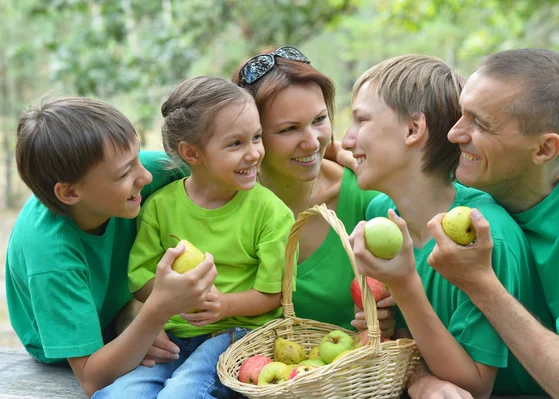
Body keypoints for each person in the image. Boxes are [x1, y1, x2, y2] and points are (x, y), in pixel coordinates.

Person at [341, 55, 553, 397]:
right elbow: (412, 343)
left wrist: (404, 285)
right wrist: (387, 330)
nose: (347, 141)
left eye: (361, 121)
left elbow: (472, 387)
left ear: (413, 130)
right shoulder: (382, 212)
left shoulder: (481, 235)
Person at [93, 76, 295, 399]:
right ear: (192, 153)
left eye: (256, 137)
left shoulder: (272, 213)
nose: (254, 153)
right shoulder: (161, 206)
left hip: (237, 335)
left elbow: (271, 293)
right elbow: (140, 277)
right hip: (173, 334)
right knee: (120, 395)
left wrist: (224, 305)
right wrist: (170, 296)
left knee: (182, 393)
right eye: (235, 143)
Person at [5, 97, 217, 397]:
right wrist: (156, 310)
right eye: (124, 173)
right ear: (69, 192)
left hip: (124, 309)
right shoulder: (52, 257)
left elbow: (217, 179)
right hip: (71, 351)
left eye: (137, 158)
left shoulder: (146, 173)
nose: (144, 176)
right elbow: (92, 378)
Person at [424, 48, 559, 398]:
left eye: (481, 124)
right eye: (462, 114)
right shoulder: (467, 176)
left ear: (545, 149)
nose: (455, 134)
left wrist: (481, 285)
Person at [232, 46, 391, 334]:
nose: (312, 142)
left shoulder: (367, 199)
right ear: (250, 136)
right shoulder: (223, 200)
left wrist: (391, 322)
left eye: (319, 120)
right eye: (288, 129)